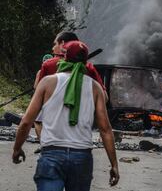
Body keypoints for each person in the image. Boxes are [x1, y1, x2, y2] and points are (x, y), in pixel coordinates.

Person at [12, 41, 119, 191]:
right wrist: (114, 164)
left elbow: (26, 122)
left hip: (51, 155)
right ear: (85, 61)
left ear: (64, 58)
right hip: (82, 157)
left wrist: (17, 149)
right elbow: (105, 129)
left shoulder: (47, 82)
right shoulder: (95, 88)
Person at [33, 31, 107, 154]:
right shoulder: (89, 68)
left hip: (52, 145)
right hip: (81, 147)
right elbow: (105, 98)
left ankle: (44, 146)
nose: (52, 48)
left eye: (54, 44)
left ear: (62, 44)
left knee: (37, 120)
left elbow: (37, 93)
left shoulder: (48, 64)